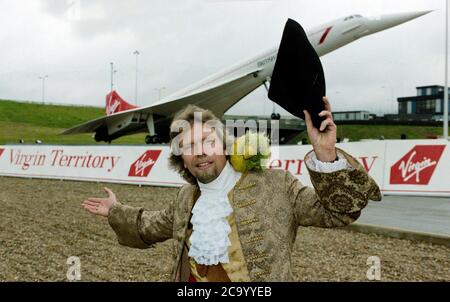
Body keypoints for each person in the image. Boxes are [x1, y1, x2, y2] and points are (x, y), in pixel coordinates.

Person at [82, 97, 381, 282]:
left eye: (207, 142)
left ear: (225, 145)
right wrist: (115, 211)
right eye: (188, 146)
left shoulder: (276, 184)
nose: (200, 152)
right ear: (181, 159)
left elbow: (338, 213)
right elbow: (151, 225)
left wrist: (326, 154)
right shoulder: (186, 199)